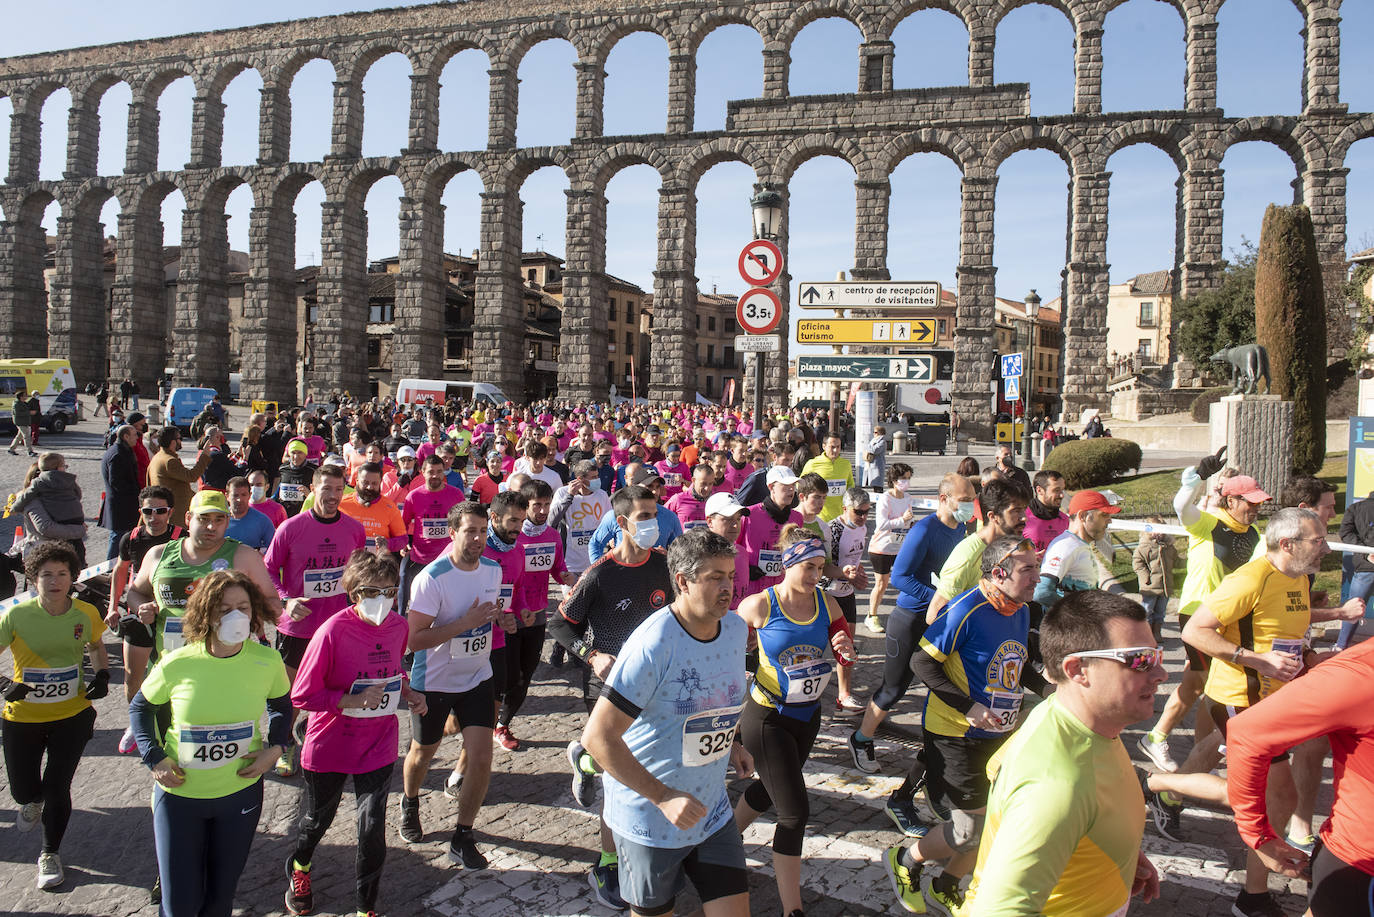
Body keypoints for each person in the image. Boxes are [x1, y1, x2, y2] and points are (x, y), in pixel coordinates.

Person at [1178, 507, 1363, 917]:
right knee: (1278, 794)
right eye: (1318, 540)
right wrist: (1255, 659)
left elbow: (1287, 631)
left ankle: (1164, 790)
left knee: (1262, 789)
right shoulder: (1250, 578)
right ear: (1287, 544)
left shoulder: (1297, 577)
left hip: (1274, 698)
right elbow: (1194, 630)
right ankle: (1253, 896)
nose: (1327, 548)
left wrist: (1313, 659)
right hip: (1238, 699)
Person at [956, 590, 1163, 916]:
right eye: (1140, 660)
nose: (1161, 673)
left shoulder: (1071, 715)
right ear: (1078, 669)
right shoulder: (1054, 787)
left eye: (1156, 655)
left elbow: (997, 769)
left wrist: (1115, 848)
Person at [580, 528, 753, 917]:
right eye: (715, 578)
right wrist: (663, 796)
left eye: (730, 576)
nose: (728, 588)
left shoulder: (735, 629)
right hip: (649, 818)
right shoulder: (653, 644)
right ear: (683, 582)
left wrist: (732, 744)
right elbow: (598, 737)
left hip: (711, 810)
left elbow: (713, 698)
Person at [883, 536, 1052, 916]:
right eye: (1028, 569)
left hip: (999, 733)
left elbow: (1017, 663)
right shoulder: (966, 609)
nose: (1037, 577)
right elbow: (922, 662)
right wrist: (969, 706)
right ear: (999, 573)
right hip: (955, 733)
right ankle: (905, 860)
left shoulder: (1020, 609)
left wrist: (1049, 691)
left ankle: (945, 885)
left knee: (996, 821)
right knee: (968, 830)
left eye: (1037, 568)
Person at [129, 570, 292, 917]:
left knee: (219, 900)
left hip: (240, 795)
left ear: (254, 612)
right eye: (224, 609)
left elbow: (281, 706)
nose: (235, 616)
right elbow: (141, 707)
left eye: (243, 608)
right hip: (180, 798)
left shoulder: (267, 661)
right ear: (207, 613)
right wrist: (153, 757)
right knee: (179, 905)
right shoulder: (178, 662)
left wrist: (276, 748)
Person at [549, 484, 675, 910]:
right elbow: (560, 625)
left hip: (655, 683)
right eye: (645, 517)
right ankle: (606, 863)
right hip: (608, 686)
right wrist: (593, 655)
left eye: (655, 514)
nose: (654, 524)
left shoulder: (664, 564)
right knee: (620, 779)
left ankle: (585, 759)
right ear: (622, 523)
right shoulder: (600, 574)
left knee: (647, 763)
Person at [284, 550, 427, 917]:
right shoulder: (332, 631)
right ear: (354, 594)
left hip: (377, 742)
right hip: (330, 743)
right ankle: (300, 866)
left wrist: (408, 691)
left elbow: (393, 669)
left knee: (372, 827)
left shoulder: (398, 626)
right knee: (318, 820)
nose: (383, 600)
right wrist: (350, 700)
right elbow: (301, 695)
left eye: (389, 592)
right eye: (372, 592)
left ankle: (366, 908)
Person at [733, 529, 855, 917]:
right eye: (808, 567)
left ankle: (723, 841)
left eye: (820, 567)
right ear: (788, 564)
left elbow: (845, 650)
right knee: (794, 813)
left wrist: (844, 649)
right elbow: (725, 655)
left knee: (771, 790)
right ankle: (793, 910)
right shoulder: (758, 605)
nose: (816, 575)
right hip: (767, 717)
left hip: (807, 716)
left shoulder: (827, 603)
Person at [849, 473, 976, 835]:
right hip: (909, 619)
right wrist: (938, 599)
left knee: (945, 689)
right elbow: (901, 577)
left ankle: (935, 773)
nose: (969, 505)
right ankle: (861, 738)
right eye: (964, 499)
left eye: (972, 499)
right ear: (944, 498)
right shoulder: (924, 530)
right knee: (894, 688)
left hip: (941, 621)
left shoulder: (962, 530)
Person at [1226, 638, 1374, 917]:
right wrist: (1257, 834)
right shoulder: (1361, 673)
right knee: (1283, 796)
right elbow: (1247, 734)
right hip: (1360, 871)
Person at [1136, 447, 1260, 774]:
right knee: (1212, 686)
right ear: (1231, 501)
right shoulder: (1209, 523)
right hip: (1198, 617)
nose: (1256, 509)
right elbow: (1181, 506)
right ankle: (1197, 758)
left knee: (1197, 685)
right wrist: (1196, 478)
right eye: (1250, 502)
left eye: (1259, 503)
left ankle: (1163, 740)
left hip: (1227, 618)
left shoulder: (1254, 534)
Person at [0, 540, 109, 890]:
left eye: (62, 573)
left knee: (58, 787)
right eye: (46, 574)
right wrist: (4, 684)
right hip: (22, 717)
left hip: (72, 714)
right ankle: (30, 801)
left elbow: (95, 645)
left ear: (72, 577)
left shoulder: (85, 613)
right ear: (34, 579)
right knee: (23, 791)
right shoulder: (15, 615)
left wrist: (102, 674)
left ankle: (50, 853)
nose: (55, 581)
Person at [400, 501, 504, 868]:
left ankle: (463, 834)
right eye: (470, 531)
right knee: (423, 754)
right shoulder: (432, 578)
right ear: (452, 533)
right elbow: (414, 640)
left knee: (481, 756)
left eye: (482, 531)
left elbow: (488, 615)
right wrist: (465, 623)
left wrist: (501, 620)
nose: (478, 538)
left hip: (477, 677)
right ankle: (410, 801)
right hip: (434, 681)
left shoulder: (493, 569)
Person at [264, 464, 368, 776]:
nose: (333, 496)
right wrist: (286, 599)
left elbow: (357, 573)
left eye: (339, 489)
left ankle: (330, 740)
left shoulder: (354, 529)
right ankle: (281, 743)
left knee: (338, 688)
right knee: (291, 693)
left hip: (338, 627)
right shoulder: (291, 528)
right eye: (326, 489)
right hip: (299, 626)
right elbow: (268, 570)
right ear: (312, 489)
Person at [125, 489, 282, 664]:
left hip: (226, 666)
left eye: (219, 519)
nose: (211, 527)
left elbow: (272, 603)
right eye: (203, 518)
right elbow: (135, 593)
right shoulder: (158, 555)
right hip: (170, 664)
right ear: (188, 518)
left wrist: (247, 610)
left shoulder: (245, 556)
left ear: (227, 521)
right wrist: (142, 607)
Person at [105, 485, 182, 755]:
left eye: (160, 511)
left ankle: (176, 723)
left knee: (173, 675)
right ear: (141, 512)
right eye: (148, 511)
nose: (154, 516)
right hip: (137, 614)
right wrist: (113, 607)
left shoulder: (181, 537)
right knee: (133, 677)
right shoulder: (131, 538)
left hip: (171, 619)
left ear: (170, 512)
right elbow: (120, 571)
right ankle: (136, 724)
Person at [500, 480, 575, 747]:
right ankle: (488, 715)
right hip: (508, 615)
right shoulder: (512, 536)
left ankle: (502, 724)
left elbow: (557, 567)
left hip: (537, 613)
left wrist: (565, 576)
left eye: (546, 504)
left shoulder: (552, 535)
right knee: (508, 675)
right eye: (536, 505)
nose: (542, 511)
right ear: (525, 506)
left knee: (526, 674)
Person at [925, 478, 1029, 624]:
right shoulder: (967, 556)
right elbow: (934, 617)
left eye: (1024, 509)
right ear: (993, 516)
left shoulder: (1013, 547)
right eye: (1016, 511)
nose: (1024, 517)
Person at [820, 487, 872, 712]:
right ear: (844, 509)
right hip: (827, 593)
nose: (863, 517)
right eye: (858, 512)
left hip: (846, 593)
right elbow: (823, 568)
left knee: (847, 645)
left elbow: (855, 560)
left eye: (867, 512)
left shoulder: (862, 528)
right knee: (818, 646)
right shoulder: (833, 529)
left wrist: (859, 574)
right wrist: (845, 574)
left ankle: (844, 694)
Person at [1032, 489, 1123, 606]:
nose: (1109, 521)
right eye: (1104, 515)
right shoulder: (1065, 546)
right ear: (1083, 516)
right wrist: (1075, 612)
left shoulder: (1077, 544)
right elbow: (1041, 593)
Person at [400, 454, 465, 613]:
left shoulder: (456, 495)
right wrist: (404, 543)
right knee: (410, 590)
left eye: (439, 471)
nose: (435, 475)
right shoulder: (414, 496)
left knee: (446, 603)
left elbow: (464, 522)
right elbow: (402, 524)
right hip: (420, 557)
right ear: (423, 472)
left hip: (448, 558)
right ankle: (402, 619)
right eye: (431, 472)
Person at [867, 463, 915, 635]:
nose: (906, 482)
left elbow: (908, 521)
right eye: (903, 478)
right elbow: (881, 524)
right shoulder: (885, 498)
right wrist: (902, 520)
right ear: (894, 480)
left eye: (908, 478)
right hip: (881, 547)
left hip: (900, 547)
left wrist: (911, 524)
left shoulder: (908, 498)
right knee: (881, 583)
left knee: (905, 581)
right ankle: (871, 616)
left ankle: (905, 616)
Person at [339, 462, 408, 556]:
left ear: (380, 483)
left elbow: (403, 539)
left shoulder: (389, 507)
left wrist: (388, 544)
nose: (370, 487)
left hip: (377, 563)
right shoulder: (341, 504)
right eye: (365, 482)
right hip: (346, 562)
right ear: (357, 481)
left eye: (374, 483)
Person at [147, 426, 213, 522]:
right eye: (179, 438)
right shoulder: (169, 461)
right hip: (176, 514)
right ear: (173, 442)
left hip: (168, 510)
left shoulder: (158, 457)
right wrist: (205, 455)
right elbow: (191, 476)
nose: (180, 441)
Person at [1338, 485, 1374, 650]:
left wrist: (1365, 552)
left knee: (1353, 609)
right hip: (1365, 566)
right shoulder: (1356, 508)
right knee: (1354, 607)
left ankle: (1341, 646)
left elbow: (1345, 532)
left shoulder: (1355, 508)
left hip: (1365, 567)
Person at [1132, 516, 1178, 642]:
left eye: (1162, 530)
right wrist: (1145, 577)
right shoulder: (1144, 547)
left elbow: (1176, 561)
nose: (1159, 533)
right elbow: (1137, 564)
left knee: (1160, 611)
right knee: (1147, 610)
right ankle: (1145, 634)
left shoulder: (1169, 547)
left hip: (1165, 587)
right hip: (1150, 587)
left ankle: (1156, 632)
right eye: (1156, 530)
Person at [100, 424, 143, 560]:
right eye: (134, 435)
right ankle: (109, 567)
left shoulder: (121, 450)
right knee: (117, 537)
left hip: (123, 503)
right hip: (121, 505)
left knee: (121, 537)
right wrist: (135, 493)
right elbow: (116, 482)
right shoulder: (118, 454)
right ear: (126, 436)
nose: (137, 437)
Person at [799, 431, 854, 522]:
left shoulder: (846, 464)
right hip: (819, 517)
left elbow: (850, 485)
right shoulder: (813, 464)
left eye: (838, 447)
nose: (835, 450)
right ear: (824, 446)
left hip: (840, 517)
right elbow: (800, 485)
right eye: (832, 447)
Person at [223, 476, 275, 554]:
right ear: (227, 496)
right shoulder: (219, 520)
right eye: (235, 495)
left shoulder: (263, 521)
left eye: (243, 495)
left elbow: (273, 550)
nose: (239, 499)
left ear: (250, 495)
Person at [1023, 469, 1068, 558]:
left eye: (1062, 490)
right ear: (1039, 490)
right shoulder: (1022, 519)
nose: (1062, 495)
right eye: (1056, 490)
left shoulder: (1066, 521)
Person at [275, 439, 318, 518]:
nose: (296, 457)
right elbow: (276, 489)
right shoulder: (282, 468)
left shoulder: (314, 471)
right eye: (293, 453)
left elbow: (320, 495)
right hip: (285, 514)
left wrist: (309, 494)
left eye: (300, 453)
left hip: (305, 514)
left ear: (305, 454)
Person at [8, 388, 36, 456]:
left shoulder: (23, 403)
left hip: (24, 422)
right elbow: (17, 413)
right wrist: (29, 412)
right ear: (21, 397)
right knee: (26, 436)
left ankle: (11, 449)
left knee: (19, 437)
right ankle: (30, 451)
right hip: (21, 422)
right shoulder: (17, 404)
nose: (26, 397)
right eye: (25, 395)